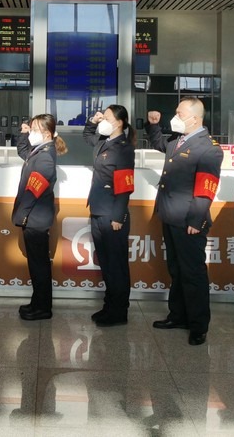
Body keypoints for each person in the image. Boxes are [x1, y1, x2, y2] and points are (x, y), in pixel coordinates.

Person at [146, 98, 223, 345]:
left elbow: (206, 189)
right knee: (176, 269)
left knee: (193, 273)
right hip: (170, 214)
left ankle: (198, 325)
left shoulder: (209, 148)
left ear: (195, 119)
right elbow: (160, 144)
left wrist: (196, 220)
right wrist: (154, 126)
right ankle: (178, 315)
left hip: (189, 219)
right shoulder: (177, 139)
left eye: (180, 113)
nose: (175, 117)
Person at [83, 105, 136, 327]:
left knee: (116, 265)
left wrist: (118, 216)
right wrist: (92, 121)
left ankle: (119, 311)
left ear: (119, 122)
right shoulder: (104, 141)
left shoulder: (124, 148)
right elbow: (87, 137)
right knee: (106, 263)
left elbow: (125, 186)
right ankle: (109, 306)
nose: (103, 121)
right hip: (98, 209)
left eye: (106, 118)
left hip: (112, 213)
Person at [13, 114, 67, 321]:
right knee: (37, 264)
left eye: (34, 129)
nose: (31, 133)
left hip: (35, 218)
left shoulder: (45, 156)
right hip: (35, 217)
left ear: (46, 133)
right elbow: (22, 151)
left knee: (39, 265)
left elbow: (33, 192)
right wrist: (23, 133)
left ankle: (43, 308)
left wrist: (22, 215)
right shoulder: (39, 150)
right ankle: (37, 303)